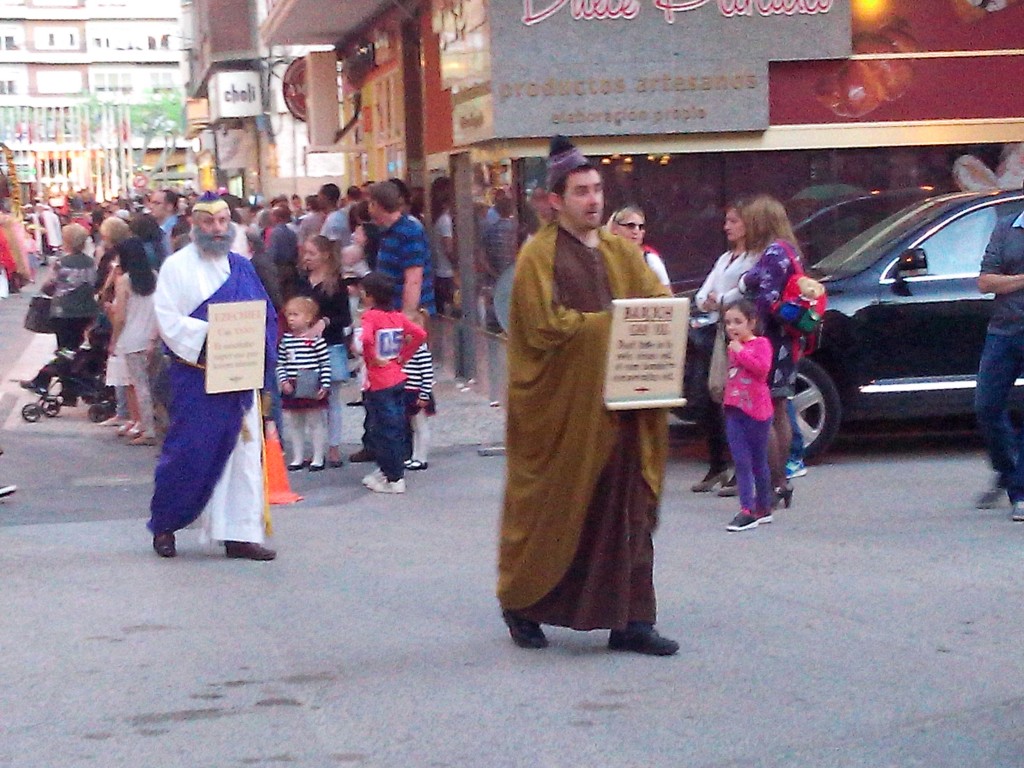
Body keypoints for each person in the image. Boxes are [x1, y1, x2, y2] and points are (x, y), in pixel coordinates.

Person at [497, 135, 678, 656]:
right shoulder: (538, 257)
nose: (593, 200)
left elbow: (655, 307)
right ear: (556, 200)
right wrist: (613, 329)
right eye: (581, 192)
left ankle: (632, 620)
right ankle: (524, 603)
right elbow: (540, 331)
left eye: (597, 190)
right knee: (556, 510)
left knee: (630, 512)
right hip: (566, 416)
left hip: (625, 412)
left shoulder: (625, 252)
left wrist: (662, 322)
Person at [148, 192, 278, 561]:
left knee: (243, 456)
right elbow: (169, 320)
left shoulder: (241, 266)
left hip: (240, 377)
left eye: (222, 222)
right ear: (194, 225)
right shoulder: (176, 267)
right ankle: (166, 524)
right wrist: (215, 334)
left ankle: (239, 534)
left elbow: (265, 314)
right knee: (189, 452)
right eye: (209, 222)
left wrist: (258, 344)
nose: (217, 229)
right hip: (197, 376)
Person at [738, 194, 802, 509]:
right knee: (779, 408)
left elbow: (765, 299)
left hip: (771, 342)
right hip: (787, 343)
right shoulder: (790, 250)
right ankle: (782, 482)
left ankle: (775, 483)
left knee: (767, 412)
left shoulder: (773, 253)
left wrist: (745, 288)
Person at [690, 202, 759, 495]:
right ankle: (717, 464)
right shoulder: (725, 258)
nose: (727, 227)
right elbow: (705, 292)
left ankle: (741, 468)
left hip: (734, 333)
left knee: (733, 400)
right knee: (710, 397)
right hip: (714, 328)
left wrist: (720, 300)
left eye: (733, 221)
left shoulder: (753, 259)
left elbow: (740, 293)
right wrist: (709, 300)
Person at [975, 198, 1024, 518]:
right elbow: (985, 281)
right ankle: (1009, 471)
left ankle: (1020, 491)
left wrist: (1007, 282)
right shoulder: (1007, 228)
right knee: (986, 406)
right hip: (1004, 329)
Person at [358, 271, 427, 494]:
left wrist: (371, 357)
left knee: (382, 430)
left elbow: (366, 339)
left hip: (379, 382)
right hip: (398, 377)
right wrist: (404, 356)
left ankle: (393, 477)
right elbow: (419, 334)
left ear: (370, 296)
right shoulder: (397, 317)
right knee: (397, 426)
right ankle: (391, 470)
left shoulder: (370, 317)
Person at [297, 235, 352, 468]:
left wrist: (325, 322)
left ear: (325, 255)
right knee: (310, 398)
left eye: (311, 253)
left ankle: (334, 446)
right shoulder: (302, 281)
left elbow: (345, 317)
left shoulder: (336, 283)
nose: (306, 258)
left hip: (329, 344)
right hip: (306, 346)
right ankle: (317, 446)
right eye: (305, 253)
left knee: (331, 398)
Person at [720, 300, 775, 532]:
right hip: (734, 409)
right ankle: (747, 509)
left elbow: (761, 370)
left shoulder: (761, 344)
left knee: (758, 460)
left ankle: (763, 506)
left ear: (751, 323)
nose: (732, 328)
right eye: (728, 323)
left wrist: (741, 352)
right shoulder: (731, 348)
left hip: (757, 411)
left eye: (738, 322)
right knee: (741, 461)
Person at [109, 238, 160, 446]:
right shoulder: (155, 277)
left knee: (139, 386)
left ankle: (147, 430)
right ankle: (154, 424)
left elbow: (120, 316)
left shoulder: (125, 281)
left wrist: (114, 339)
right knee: (152, 385)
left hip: (131, 338)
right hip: (152, 337)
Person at [277, 296, 331, 471]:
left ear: (308, 318)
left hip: (311, 382)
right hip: (292, 384)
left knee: (315, 421)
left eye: (295, 314)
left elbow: (325, 363)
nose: (291, 319)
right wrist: (283, 380)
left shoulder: (316, 340)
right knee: (295, 421)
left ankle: (318, 457)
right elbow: (280, 363)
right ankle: (297, 457)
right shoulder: (286, 340)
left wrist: (325, 384)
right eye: (288, 315)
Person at [367, 181, 435, 317]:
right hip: (391, 311)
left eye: (370, 203)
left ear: (376, 205)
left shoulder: (409, 231)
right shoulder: (387, 231)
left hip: (410, 315)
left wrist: (407, 317)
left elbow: (413, 279)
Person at [47, 223, 98, 350]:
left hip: (63, 310)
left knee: (64, 347)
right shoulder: (91, 262)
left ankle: (65, 367)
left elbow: (50, 283)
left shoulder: (60, 263)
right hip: (86, 310)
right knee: (79, 343)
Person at [607, 204, 670, 288]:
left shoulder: (651, 260)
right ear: (615, 229)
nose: (636, 231)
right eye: (630, 226)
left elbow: (667, 297)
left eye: (640, 227)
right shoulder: (603, 257)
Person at [402, 309, 435, 471]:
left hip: (417, 392)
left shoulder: (421, 350)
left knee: (421, 426)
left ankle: (422, 458)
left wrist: (424, 394)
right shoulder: (407, 349)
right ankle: (415, 456)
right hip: (408, 391)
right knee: (414, 427)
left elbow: (427, 375)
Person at [429, 177, 456, 316]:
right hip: (447, 272)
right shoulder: (445, 220)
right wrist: (458, 267)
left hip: (438, 271)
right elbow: (448, 248)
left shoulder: (434, 218)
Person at [149, 188, 180, 256]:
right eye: (150, 202)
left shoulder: (179, 228)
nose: (151, 207)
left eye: (156, 203)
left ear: (169, 206)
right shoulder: (153, 230)